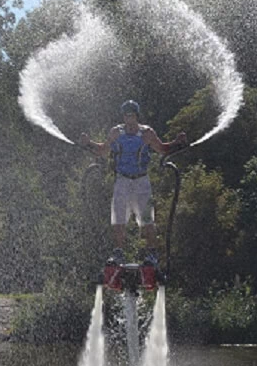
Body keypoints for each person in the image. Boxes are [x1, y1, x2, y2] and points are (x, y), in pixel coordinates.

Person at [78, 100, 187, 267]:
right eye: (126, 115)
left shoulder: (147, 133)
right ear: (123, 117)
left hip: (142, 182)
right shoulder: (116, 132)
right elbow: (102, 150)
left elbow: (162, 149)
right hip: (122, 181)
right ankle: (118, 253)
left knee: (147, 220)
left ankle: (151, 254)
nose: (129, 118)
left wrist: (177, 142)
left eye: (132, 115)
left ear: (137, 116)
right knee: (118, 220)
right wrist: (88, 143)